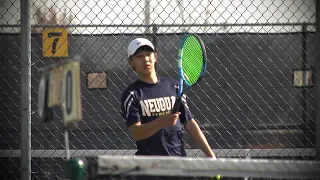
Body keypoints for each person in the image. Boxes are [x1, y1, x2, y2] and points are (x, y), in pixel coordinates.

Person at [120, 37, 217, 179]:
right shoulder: (131, 94)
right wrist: (160, 122)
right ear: (131, 62)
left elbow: (189, 123)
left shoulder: (175, 87)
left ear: (155, 57)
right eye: (139, 56)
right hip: (149, 170)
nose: (145, 59)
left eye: (148, 54)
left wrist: (210, 155)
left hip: (179, 166)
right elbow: (135, 133)